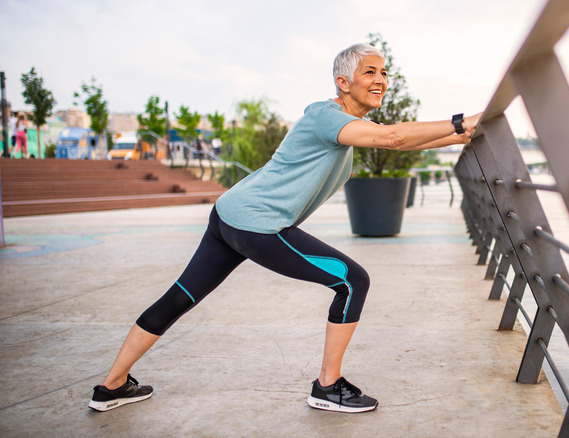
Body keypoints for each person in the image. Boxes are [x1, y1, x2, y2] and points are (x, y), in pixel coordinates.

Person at [88, 43, 481, 414]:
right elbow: (392, 137)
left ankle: (112, 386)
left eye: (384, 72)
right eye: (370, 72)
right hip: (257, 223)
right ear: (343, 82)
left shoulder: (345, 123)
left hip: (230, 215)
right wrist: (460, 120)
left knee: (181, 295)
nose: (380, 79)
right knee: (351, 281)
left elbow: (402, 142)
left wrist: (459, 134)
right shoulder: (326, 117)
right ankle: (328, 387)